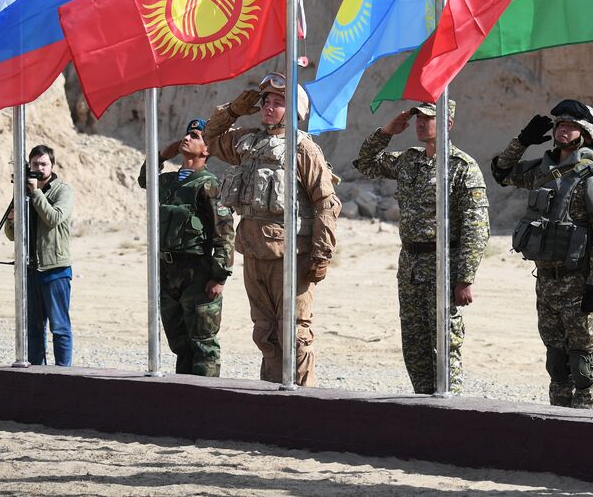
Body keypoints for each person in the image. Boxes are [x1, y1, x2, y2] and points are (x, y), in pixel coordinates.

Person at [206, 72, 341, 386]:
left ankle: (303, 405)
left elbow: (325, 203)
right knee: (265, 333)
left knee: (295, 333)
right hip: (253, 254)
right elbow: (210, 140)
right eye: (266, 101)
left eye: (278, 103)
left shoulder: (303, 149)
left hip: (291, 257)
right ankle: (271, 399)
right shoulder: (247, 142)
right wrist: (235, 110)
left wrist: (321, 255)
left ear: (294, 110)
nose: (269, 107)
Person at [354, 100, 489, 394]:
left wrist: (465, 278)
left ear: (447, 124)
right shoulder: (408, 161)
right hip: (411, 266)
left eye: (428, 118)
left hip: (443, 266)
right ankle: (423, 407)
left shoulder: (462, 167)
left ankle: (450, 410)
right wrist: (387, 131)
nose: (420, 123)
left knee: (445, 343)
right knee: (414, 346)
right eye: (418, 118)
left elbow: (476, 227)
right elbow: (365, 162)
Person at [493, 100, 593, 409]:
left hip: (579, 281)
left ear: (586, 135)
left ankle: (589, 431)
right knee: (557, 365)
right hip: (546, 281)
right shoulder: (541, 171)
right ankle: (559, 425)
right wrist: (522, 141)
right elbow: (501, 172)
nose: (562, 129)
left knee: (583, 365)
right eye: (560, 124)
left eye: (571, 126)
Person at [138, 118, 235, 376]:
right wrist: (162, 154)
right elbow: (145, 180)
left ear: (207, 150)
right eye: (187, 134)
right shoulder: (168, 182)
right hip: (168, 271)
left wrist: (219, 276)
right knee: (180, 343)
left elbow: (224, 232)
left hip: (197, 273)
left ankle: (207, 402)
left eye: (195, 136)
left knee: (203, 344)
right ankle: (184, 398)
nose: (188, 138)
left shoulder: (209, 184)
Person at [3, 145, 74, 366]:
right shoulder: (24, 192)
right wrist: (12, 219)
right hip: (30, 270)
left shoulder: (63, 190)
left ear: (52, 166)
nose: (39, 168)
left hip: (55, 269)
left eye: (44, 164)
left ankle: (64, 375)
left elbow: (54, 218)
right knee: (33, 329)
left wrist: (35, 193)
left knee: (60, 327)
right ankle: (36, 374)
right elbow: (12, 235)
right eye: (35, 164)